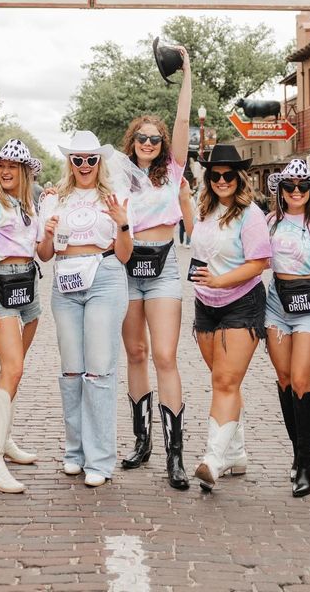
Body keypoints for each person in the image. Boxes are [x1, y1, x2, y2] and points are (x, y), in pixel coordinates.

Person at [37, 131, 133, 487]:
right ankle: (75, 451)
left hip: (104, 277)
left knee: (98, 370)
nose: (84, 166)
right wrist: (46, 235)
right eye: (77, 159)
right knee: (71, 371)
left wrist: (122, 222)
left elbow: (124, 255)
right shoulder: (54, 198)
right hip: (65, 281)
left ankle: (100, 459)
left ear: (100, 161)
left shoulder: (114, 197)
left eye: (90, 159)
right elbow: (44, 255)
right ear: (69, 162)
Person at [119, 46, 191, 490]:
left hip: (163, 268)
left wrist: (187, 72)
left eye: (155, 139)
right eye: (142, 138)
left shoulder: (174, 173)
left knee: (164, 355)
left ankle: (174, 455)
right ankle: (141, 440)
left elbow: (182, 121)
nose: (149, 143)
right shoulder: (117, 175)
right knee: (136, 354)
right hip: (126, 267)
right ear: (132, 143)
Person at [182, 143, 271, 492]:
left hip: (242, 303)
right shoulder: (203, 211)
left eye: (228, 175)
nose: (221, 180)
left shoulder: (251, 215)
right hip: (205, 304)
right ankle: (236, 453)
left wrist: (220, 279)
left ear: (239, 177)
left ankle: (213, 459)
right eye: (215, 175)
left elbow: (259, 263)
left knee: (224, 382)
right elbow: (196, 241)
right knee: (224, 380)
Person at [265, 159, 310, 497]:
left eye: (302, 186)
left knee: (300, 380)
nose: (295, 191)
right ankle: (298, 453)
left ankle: (306, 462)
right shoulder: (269, 222)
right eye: (289, 186)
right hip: (277, 302)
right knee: (283, 378)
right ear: (280, 190)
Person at [0, 139, 43, 494]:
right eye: (1, 164)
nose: (5, 170)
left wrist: (56, 228)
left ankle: (5, 440)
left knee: (15, 369)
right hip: (1, 285)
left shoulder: (31, 204)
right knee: (12, 367)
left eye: (12, 166)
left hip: (28, 285)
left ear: (25, 172)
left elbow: (43, 251)